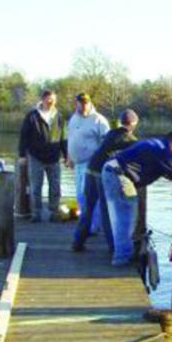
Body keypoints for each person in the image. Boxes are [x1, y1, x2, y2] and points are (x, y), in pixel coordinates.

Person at [102, 131, 172, 267]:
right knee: (126, 218)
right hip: (118, 176)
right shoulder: (164, 152)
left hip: (111, 171)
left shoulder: (157, 145)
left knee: (122, 217)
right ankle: (121, 259)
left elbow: (167, 171)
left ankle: (122, 254)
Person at [72, 108, 139, 253]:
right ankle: (113, 248)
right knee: (107, 211)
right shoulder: (131, 140)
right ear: (134, 124)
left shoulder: (111, 133)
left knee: (88, 210)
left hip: (90, 170)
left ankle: (77, 242)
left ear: (121, 122)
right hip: (102, 174)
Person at [17, 89, 66, 222]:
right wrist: (22, 155)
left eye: (53, 100)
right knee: (36, 187)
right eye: (49, 99)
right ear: (43, 99)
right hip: (36, 157)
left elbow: (63, 137)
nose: (51, 102)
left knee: (55, 186)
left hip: (54, 157)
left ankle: (54, 212)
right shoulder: (32, 116)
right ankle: (36, 213)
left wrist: (67, 156)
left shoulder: (59, 116)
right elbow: (24, 136)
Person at [66, 93, 110, 229]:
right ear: (77, 103)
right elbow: (71, 138)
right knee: (80, 195)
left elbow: (107, 142)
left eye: (85, 102)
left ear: (90, 103)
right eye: (80, 102)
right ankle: (85, 222)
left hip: (91, 163)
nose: (83, 105)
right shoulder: (74, 118)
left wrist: (100, 161)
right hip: (77, 163)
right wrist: (69, 156)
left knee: (89, 195)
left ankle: (93, 225)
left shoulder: (99, 120)